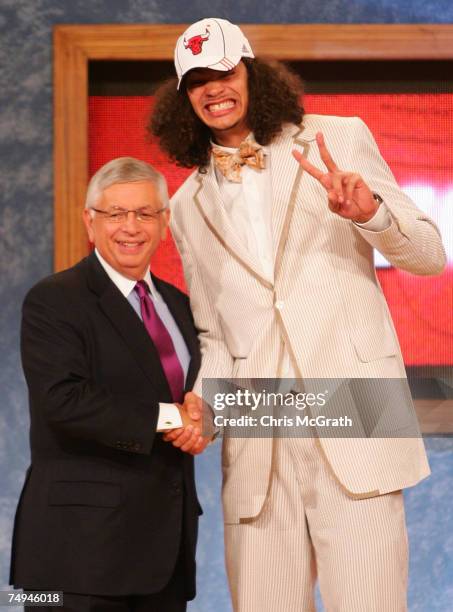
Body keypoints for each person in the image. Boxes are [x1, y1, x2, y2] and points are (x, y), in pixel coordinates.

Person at [150, 17, 447, 612]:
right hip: (259, 425)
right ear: (184, 96)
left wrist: (372, 217)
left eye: (225, 72)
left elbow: (431, 255)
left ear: (252, 72)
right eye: (197, 80)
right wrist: (199, 409)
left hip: (357, 409)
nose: (214, 89)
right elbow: (211, 331)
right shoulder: (185, 205)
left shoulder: (337, 137)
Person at [10, 157, 207, 612]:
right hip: (77, 556)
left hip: (164, 556)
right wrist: (170, 417)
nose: (130, 227)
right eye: (115, 213)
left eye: (144, 213)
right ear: (89, 221)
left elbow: (192, 397)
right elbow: (63, 399)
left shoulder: (179, 306)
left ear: (164, 223)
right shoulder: (56, 299)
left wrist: (203, 418)